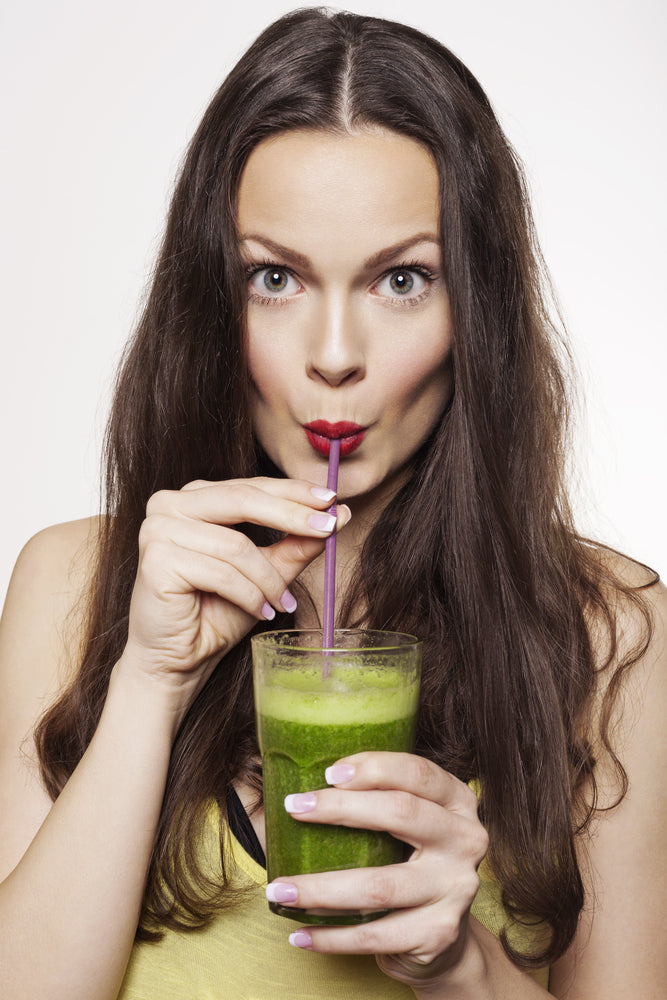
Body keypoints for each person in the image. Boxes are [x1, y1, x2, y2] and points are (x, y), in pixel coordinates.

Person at [0, 7, 664, 999]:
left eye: (401, 279)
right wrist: (150, 678)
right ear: (213, 301)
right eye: (275, 277)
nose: (336, 353)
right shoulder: (74, 581)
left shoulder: (612, 631)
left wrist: (458, 962)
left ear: (472, 310)